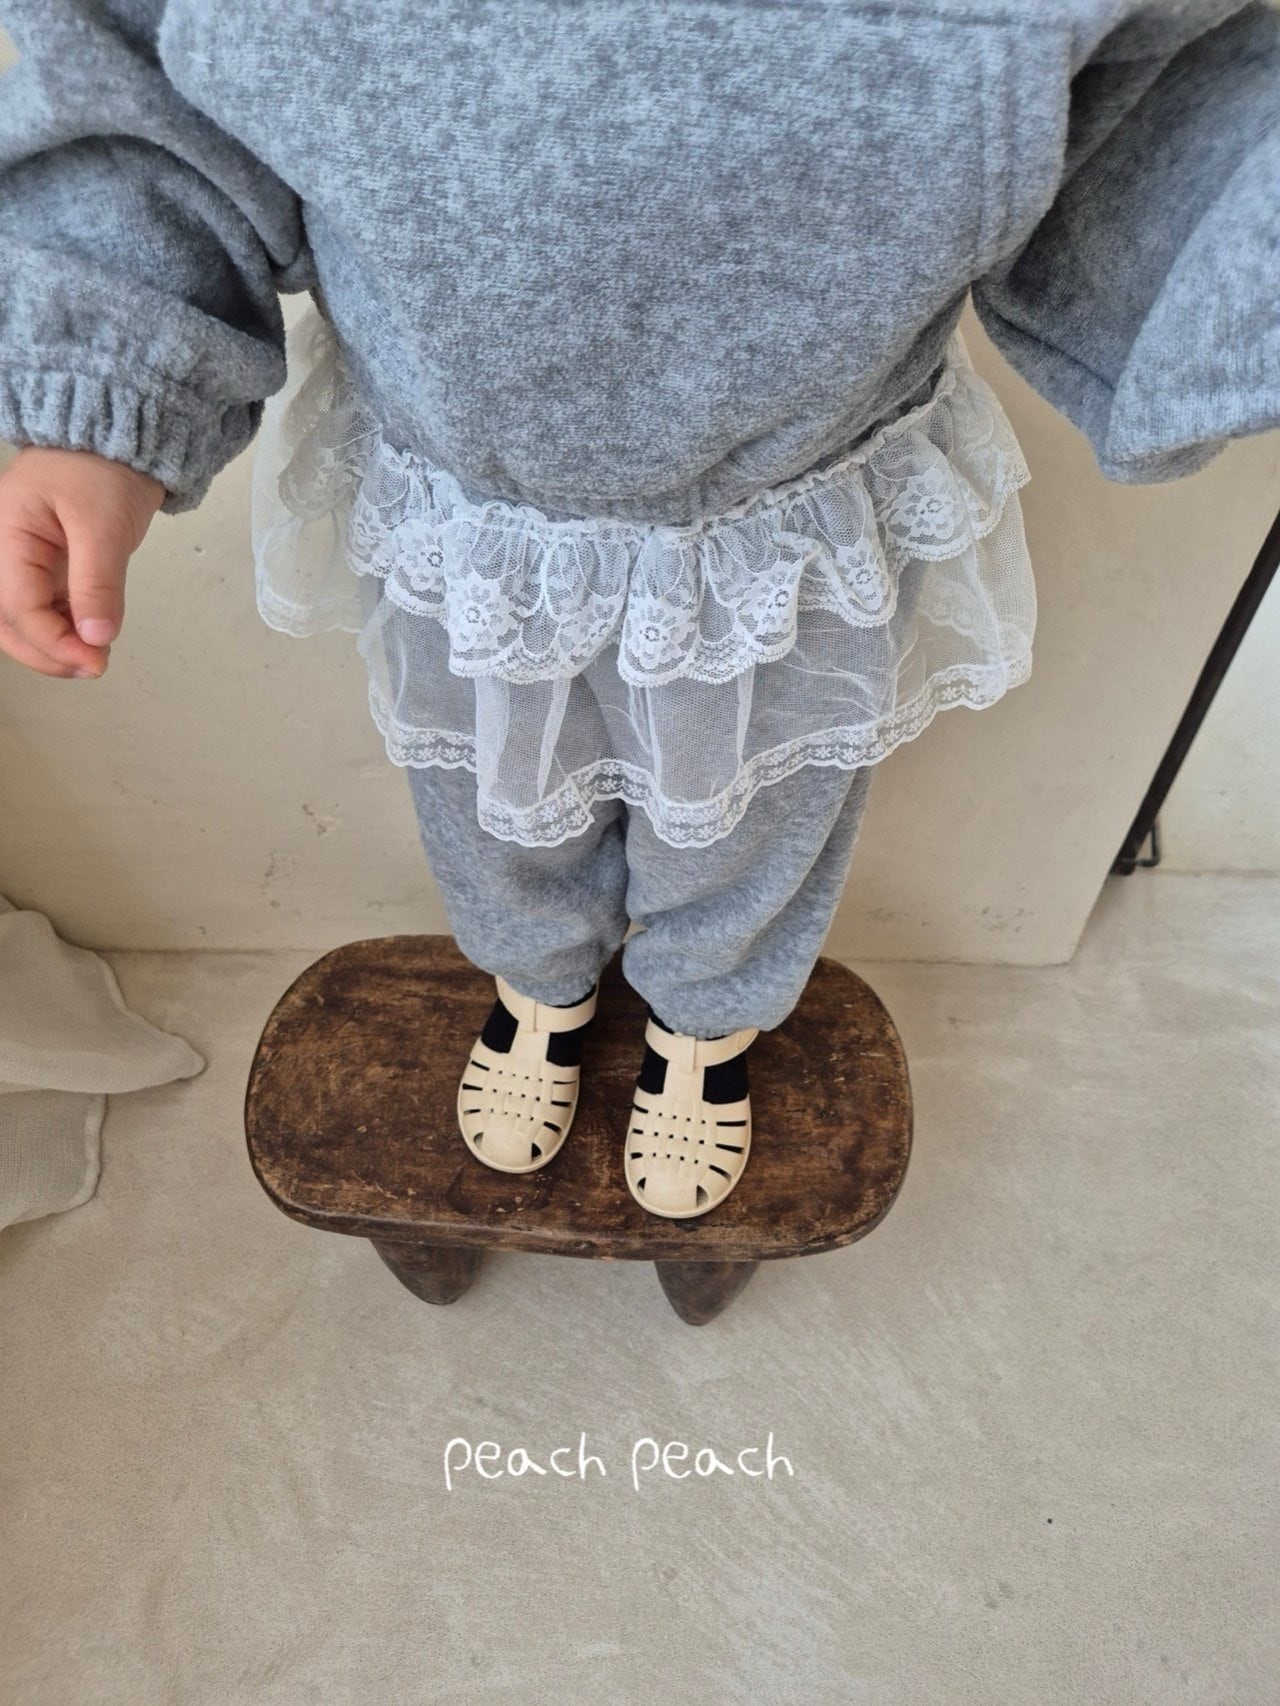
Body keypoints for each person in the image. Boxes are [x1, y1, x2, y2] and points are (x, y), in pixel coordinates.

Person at [0, 2, 1275, 1220]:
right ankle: (537, 986)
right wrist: (105, 376)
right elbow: (146, 81)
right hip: (468, 487)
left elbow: (1169, 97)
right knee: (491, 791)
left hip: (787, 489)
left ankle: (702, 1025)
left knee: (753, 810)